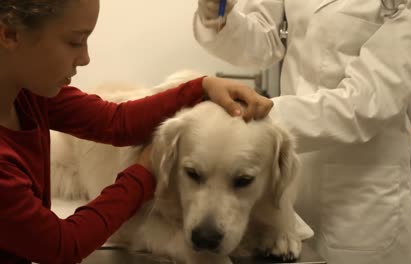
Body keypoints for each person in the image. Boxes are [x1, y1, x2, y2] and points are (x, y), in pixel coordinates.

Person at [0, 0, 274, 263]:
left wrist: (201, 87)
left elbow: (116, 122)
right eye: (75, 41)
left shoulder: (30, 95)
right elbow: (63, 246)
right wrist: (143, 173)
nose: (85, 58)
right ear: (10, 33)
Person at [194, 0, 411, 263]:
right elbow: (264, 40)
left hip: (362, 199)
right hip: (290, 185)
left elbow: (368, 101)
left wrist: (255, 115)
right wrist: (220, 16)